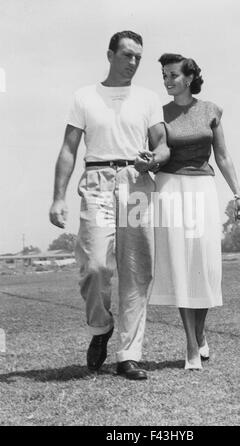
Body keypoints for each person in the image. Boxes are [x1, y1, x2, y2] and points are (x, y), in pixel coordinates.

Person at [49, 31, 170, 380]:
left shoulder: (147, 99)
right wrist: (58, 197)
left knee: (136, 271)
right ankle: (100, 328)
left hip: (135, 182)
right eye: (127, 55)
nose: (133, 62)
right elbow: (69, 149)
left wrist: (154, 160)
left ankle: (129, 354)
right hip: (98, 181)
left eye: (138, 57)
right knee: (96, 264)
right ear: (110, 54)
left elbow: (162, 146)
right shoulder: (85, 97)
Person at [135, 53, 240, 370]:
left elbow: (223, 156)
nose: (168, 81)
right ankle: (190, 347)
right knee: (183, 265)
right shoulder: (158, 114)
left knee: (205, 265)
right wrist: (148, 160)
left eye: (173, 75)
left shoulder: (212, 110)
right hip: (170, 188)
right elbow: (157, 152)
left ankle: (199, 334)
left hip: (203, 189)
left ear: (189, 77)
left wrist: (238, 194)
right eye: (164, 76)